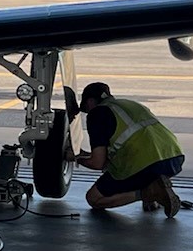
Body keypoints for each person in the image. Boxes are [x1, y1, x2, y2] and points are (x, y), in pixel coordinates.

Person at [73, 81, 185, 216]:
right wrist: (85, 154)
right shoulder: (130, 104)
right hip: (173, 158)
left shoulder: (97, 114)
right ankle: (154, 186)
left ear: (90, 102)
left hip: (144, 164)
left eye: (86, 109)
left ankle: (149, 193)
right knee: (123, 167)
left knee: (94, 199)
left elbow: (98, 163)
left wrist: (76, 159)